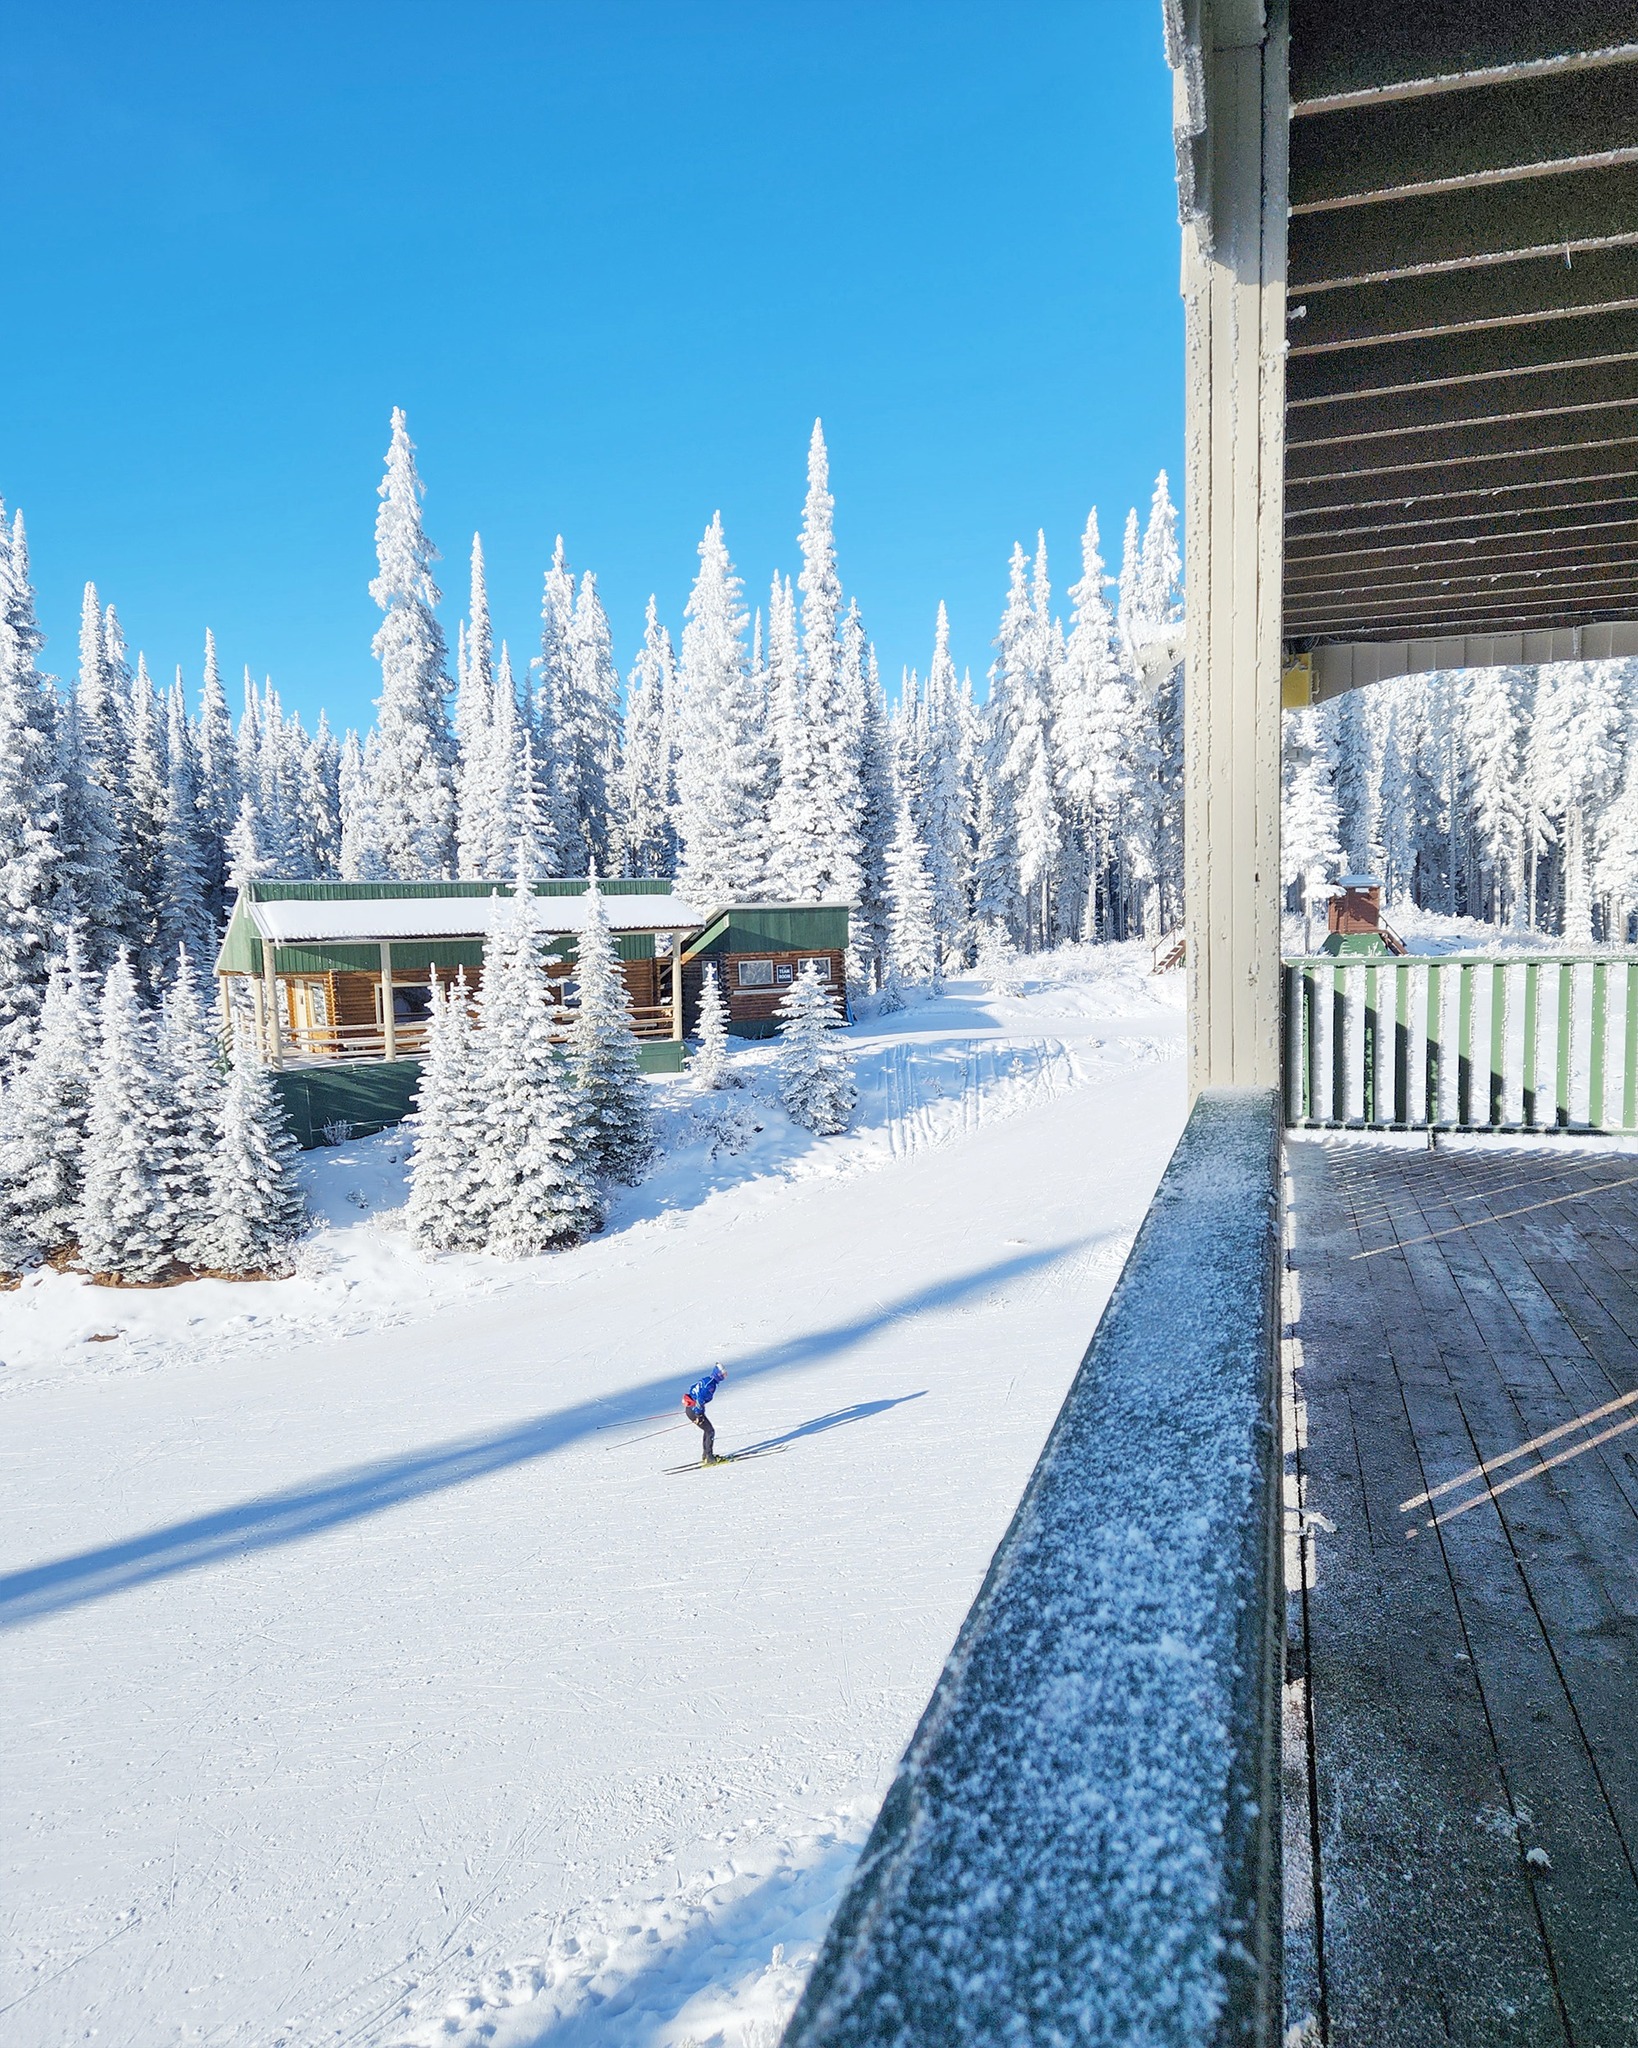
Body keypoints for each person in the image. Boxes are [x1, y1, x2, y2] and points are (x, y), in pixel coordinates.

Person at [682, 1364, 727, 1464]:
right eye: (723, 1374)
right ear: (718, 1374)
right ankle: (709, 1457)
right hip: (694, 1411)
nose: (725, 1376)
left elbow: (692, 1388)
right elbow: (700, 1400)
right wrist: (698, 1414)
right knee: (710, 1431)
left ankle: (706, 1455)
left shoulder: (707, 1380)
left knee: (707, 1430)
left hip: (691, 1409)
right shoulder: (710, 1385)